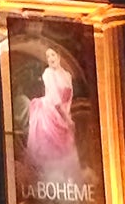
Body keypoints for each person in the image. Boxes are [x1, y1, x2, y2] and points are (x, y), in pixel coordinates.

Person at [22, 46, 82, 181]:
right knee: (48, 151)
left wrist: (67, 117)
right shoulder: (48, 73)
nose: (50, 59)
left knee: (67, 153)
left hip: (63, 115)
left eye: (53, 55)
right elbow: (55, 100)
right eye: (48, 56)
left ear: (59, 56)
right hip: (49, 116)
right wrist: (67, 119)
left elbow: (68, 98)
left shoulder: (67, 75)